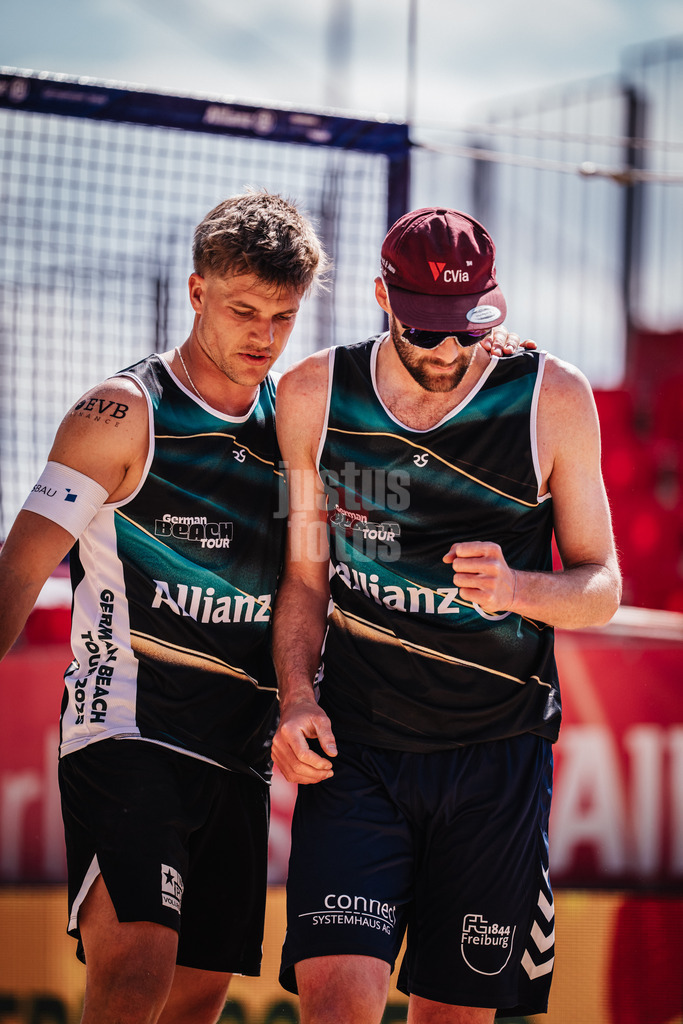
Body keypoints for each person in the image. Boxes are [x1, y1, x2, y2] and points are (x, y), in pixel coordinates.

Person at [0, 192, 525, 1024]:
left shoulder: (295, 423)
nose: (263, 336)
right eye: (243, 311)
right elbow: (20, 566)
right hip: (129, 731)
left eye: (283, 317)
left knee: (198, 998)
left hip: (239, 752)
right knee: (134, 972)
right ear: (196, 291)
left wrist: (484, 357)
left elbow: (398, 475)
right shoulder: (123, 412)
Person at [271, 207, 622, 1023]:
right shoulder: (312, 396)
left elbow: (601, 586)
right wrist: (294, 697)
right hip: (359, 753)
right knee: (335, 1003)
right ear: (380, 299)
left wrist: (517, 589)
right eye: (424, 330)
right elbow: (304, 579)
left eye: (466, 329)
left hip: (495, 761)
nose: (446, 352)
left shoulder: (551, 397)